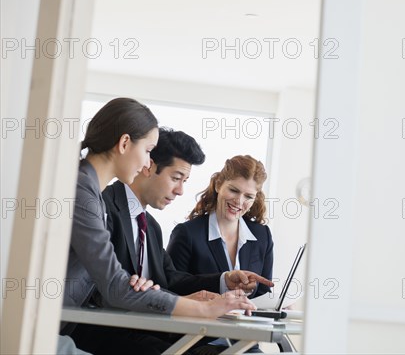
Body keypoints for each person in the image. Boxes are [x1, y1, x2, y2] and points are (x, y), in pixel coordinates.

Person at [63, 98, 262, 354]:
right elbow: (111, 286)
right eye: (148, 151)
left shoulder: (100, 197)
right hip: (86, 328)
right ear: (125, 143)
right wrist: (199, 308)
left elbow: (162, 279)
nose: (147, 162)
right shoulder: (89, 194)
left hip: (132, 322)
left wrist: (201, 295)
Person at [167, 155, 273, 299]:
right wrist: (222, 282)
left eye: (248, 196)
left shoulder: (262, 235)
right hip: (201, 320)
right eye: (234, 190)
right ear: (218, 185)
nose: (239, 201)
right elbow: (171, 286)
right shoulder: (187, 233)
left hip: (246, 320)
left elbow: (263, 293)